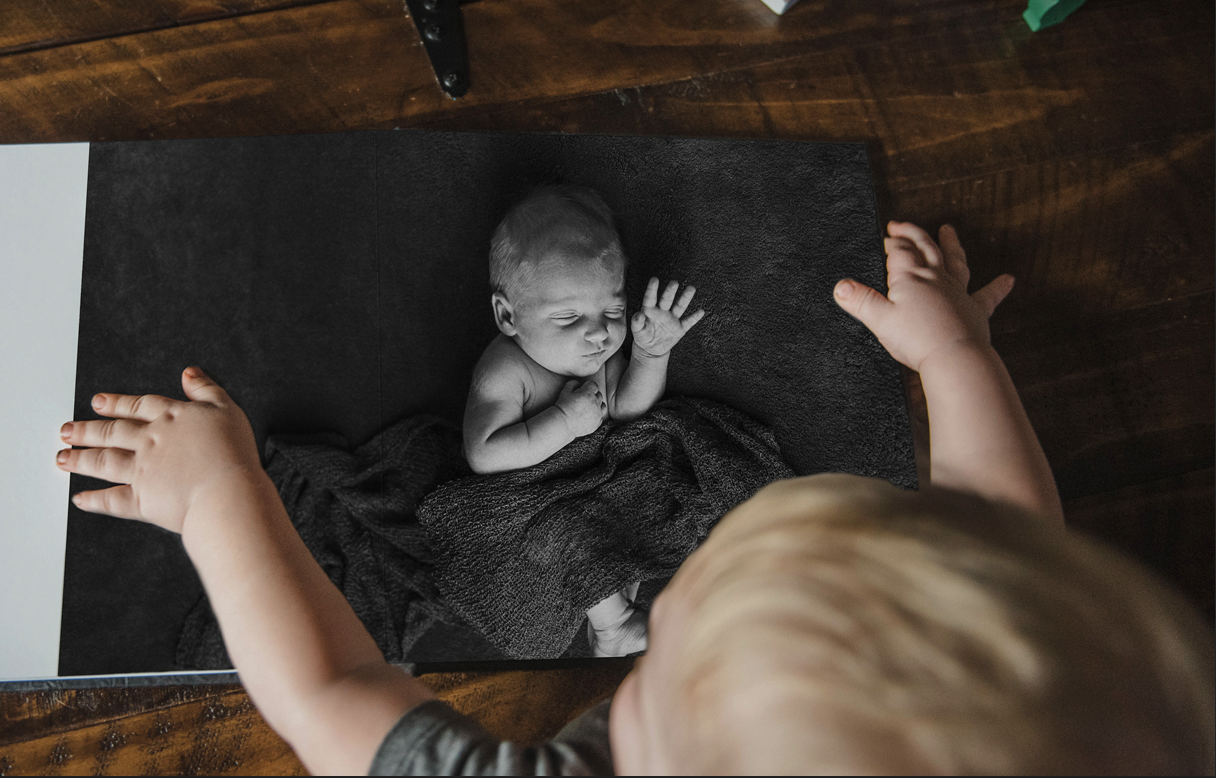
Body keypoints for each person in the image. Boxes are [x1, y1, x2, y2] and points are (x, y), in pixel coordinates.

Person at [56, 222, 1214, 774]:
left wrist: (221, 500)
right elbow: (1002, 526)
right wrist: (957, 358)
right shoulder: (1031, 683)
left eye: (664, 653)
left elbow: (333, 692)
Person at [462, 185, 704, 657]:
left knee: (643, 488)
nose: (599, 331)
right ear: (508, 316)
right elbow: (483, 454)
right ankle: (612, 628)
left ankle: (619, 608)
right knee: (565, 533)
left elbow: (629, 412)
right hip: (525, 502)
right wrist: (562, 423)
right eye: (569, 316)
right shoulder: (505, 370)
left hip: (592, 480)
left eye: (613, 309)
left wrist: (652, 356)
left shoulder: (599, 353)